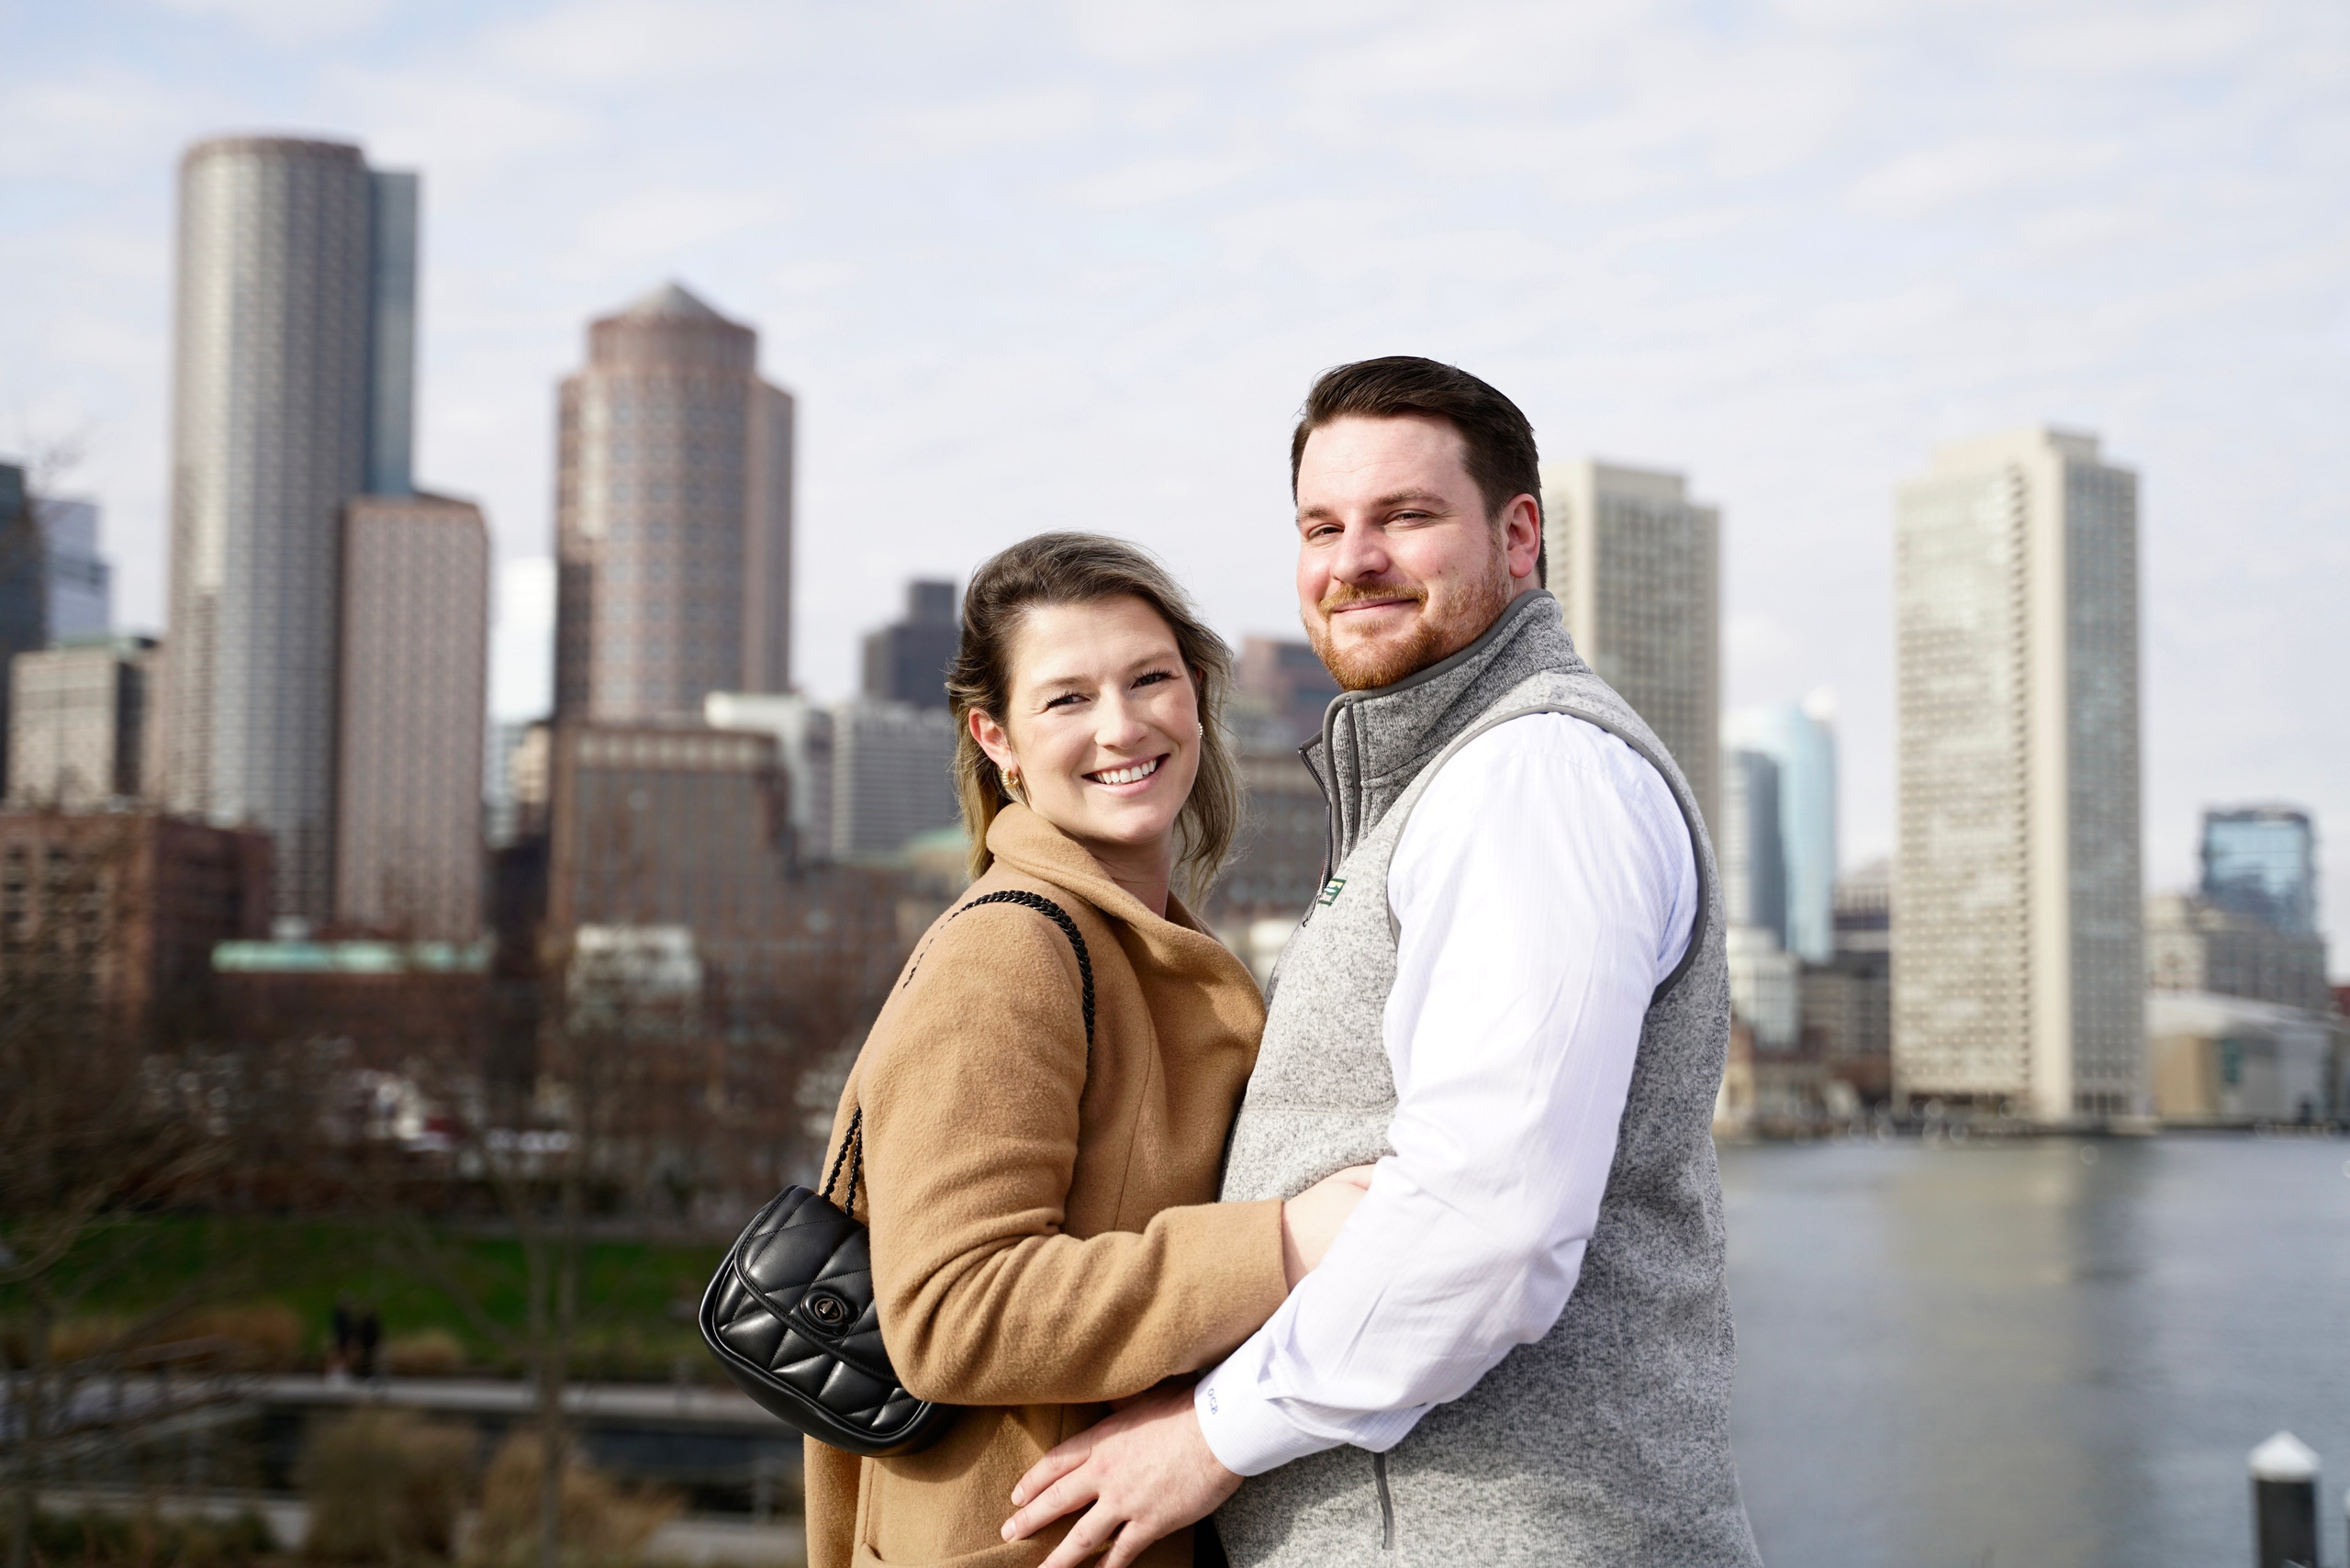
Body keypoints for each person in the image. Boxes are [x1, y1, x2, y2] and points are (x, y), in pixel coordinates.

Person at [1002, 358, 1763, 1566]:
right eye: (1321, 525)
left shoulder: (1533, 779)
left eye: (1405, 517)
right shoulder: (1447, 784)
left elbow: (1491, 1222)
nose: (1352, 558)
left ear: (1519, 539)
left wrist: (1211, 1433)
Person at [803, 533, 1371, 1568]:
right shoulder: (1010, 948)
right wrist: (1282, 1242)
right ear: (997, 738)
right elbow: (949, 1311)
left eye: (1150, 678)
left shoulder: (1142, 941)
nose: (1121, 725)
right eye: (1065, 699)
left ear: (1195, 695)